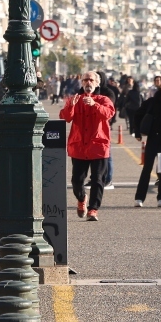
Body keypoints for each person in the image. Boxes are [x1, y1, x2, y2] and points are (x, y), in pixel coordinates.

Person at [60, 71, 116, 221]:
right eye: (85, 80)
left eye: (91, 80)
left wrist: (95, 105)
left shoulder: (103, 99)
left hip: (98, 145)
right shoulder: (74, 99)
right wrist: (70, 107)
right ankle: (81, 198)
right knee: (77, 180)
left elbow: (109, 114)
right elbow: (65, 117)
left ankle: (93, 209)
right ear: (81, 83)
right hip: (79, 146)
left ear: (97, 83)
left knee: (98, 179)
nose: (88, 83)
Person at [132, 70, 161, 207]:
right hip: (152, 140)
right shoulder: (152, 102)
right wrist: (137, 132)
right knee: (147, 169)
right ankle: (139, 198)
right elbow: (137, 115)